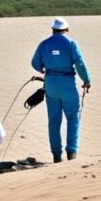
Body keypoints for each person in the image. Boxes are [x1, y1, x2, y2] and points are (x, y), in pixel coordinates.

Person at [31, 17, 91, 163]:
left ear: (53, 29)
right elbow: (80, 64)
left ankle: (56, 156)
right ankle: (72, 153)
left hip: (51, 84)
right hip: (67, 85)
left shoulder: (44, 44)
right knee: (73, 118)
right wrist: (87, 80)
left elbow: (34, 63)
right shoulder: (71, 44)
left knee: (54, 121)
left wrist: (44, 69)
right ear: (66, 29)